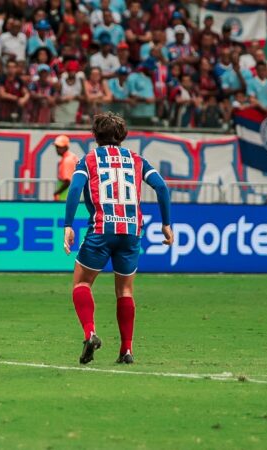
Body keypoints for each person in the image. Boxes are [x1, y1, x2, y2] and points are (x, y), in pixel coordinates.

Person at [63, 112, 174, 365]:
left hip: (102, 229)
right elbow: (162, 187)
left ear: (95, 135)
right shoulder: (137, 160)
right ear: (123, 136)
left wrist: (68, 225)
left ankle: (90, 333)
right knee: (125, 290)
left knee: (82, 283)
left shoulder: (88, 159)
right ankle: (126, 350)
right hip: (131, 231)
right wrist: (166, 223)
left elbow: (75, 188)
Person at [53, 135, 78, 201]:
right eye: (56, 147)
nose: (57, 149)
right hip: (71, 195)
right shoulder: (72, 156)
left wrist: (57, 192)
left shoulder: (67, 160)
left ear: (66, 147)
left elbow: (67, 181)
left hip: (65, 196)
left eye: (60, 147)